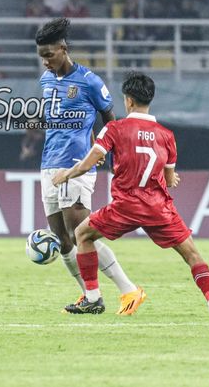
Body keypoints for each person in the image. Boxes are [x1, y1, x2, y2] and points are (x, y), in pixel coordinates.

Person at [51, 72, 209, 318]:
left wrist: (66, 175)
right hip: (158, 208)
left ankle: (93, 297)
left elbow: (87, 163)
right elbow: (169, 180)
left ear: (128, 101)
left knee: (82, 234)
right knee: (192, 254)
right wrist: (170, 178)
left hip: (125, 205)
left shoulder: (115, 128)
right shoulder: (167, 135)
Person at [36, 18, 144, 315]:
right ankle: (89, 295)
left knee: (83, 232)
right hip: (49, 164)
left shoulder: (89, 81)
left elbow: (111, 121)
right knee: (62, 239)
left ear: (63, 48)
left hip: (76, 164)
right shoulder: (45, 81)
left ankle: (128, 289)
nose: (45, 61)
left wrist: (116, 155)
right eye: (41, 55)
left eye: (49, 54)